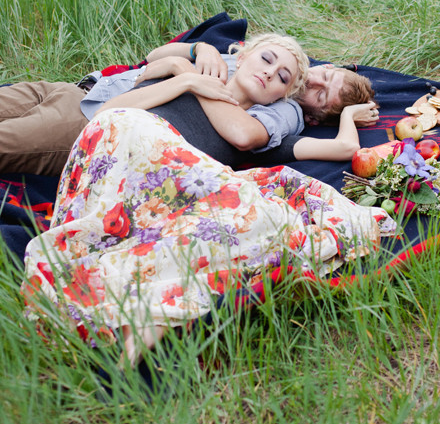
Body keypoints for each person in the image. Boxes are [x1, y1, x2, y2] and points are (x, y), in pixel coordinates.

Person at [22, 106, 396, 366]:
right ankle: (150, 311)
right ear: (242, 55)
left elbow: (259, 136)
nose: (270, 73)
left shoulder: (271, 118)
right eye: (267, 59)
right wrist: (188, 69)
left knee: (256, 219)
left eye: (285, 76)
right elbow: (113, 107)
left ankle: (152, 309)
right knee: (252, 219)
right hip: (126, 130)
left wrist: (345, 114)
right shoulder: (202, 71)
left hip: (181, 176)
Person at [0, 36, 374, 177]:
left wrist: (189, 78)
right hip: (80, 90)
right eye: (326, 74)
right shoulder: (240, 64)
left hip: (83, 125)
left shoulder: (279, 110)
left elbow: (244, 135)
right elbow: (154, 57)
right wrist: (196, 51)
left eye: (321, 94)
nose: (315, 81)